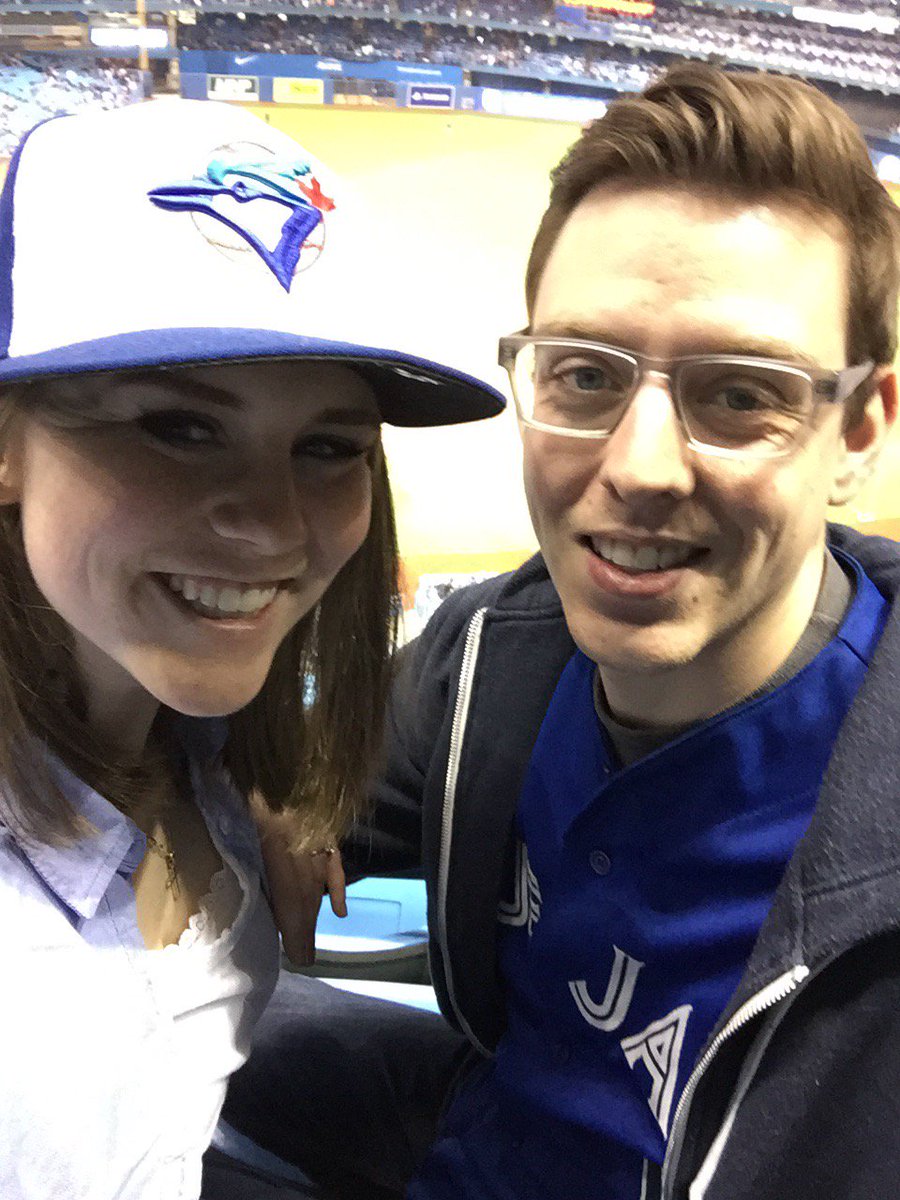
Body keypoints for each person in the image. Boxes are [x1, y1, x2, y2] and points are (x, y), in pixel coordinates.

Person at [217, 62, 900, 1200]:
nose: (635, 469)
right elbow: (302, 776)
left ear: (859, 431)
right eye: (584, 375)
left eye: (738, 393)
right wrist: (266, 781)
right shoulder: (497, 653)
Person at [0, 97, 504, 1200]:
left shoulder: (170, 711)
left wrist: (256, 776)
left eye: (328, 446)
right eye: (177, 427)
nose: (274, 527)